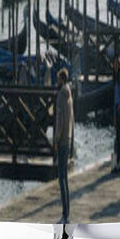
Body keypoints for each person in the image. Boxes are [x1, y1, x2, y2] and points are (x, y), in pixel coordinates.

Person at [53, 67, 73, 224]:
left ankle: (65, 213)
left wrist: (55, 139)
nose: (56, 81)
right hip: (68, 138)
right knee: (65, 177)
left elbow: (59, 121)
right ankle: (67, 211)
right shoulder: (69, 95)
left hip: (62, 141)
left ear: (62, 79)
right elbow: (70, 120)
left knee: (61, 178)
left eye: (58, 79)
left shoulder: (60, 96)